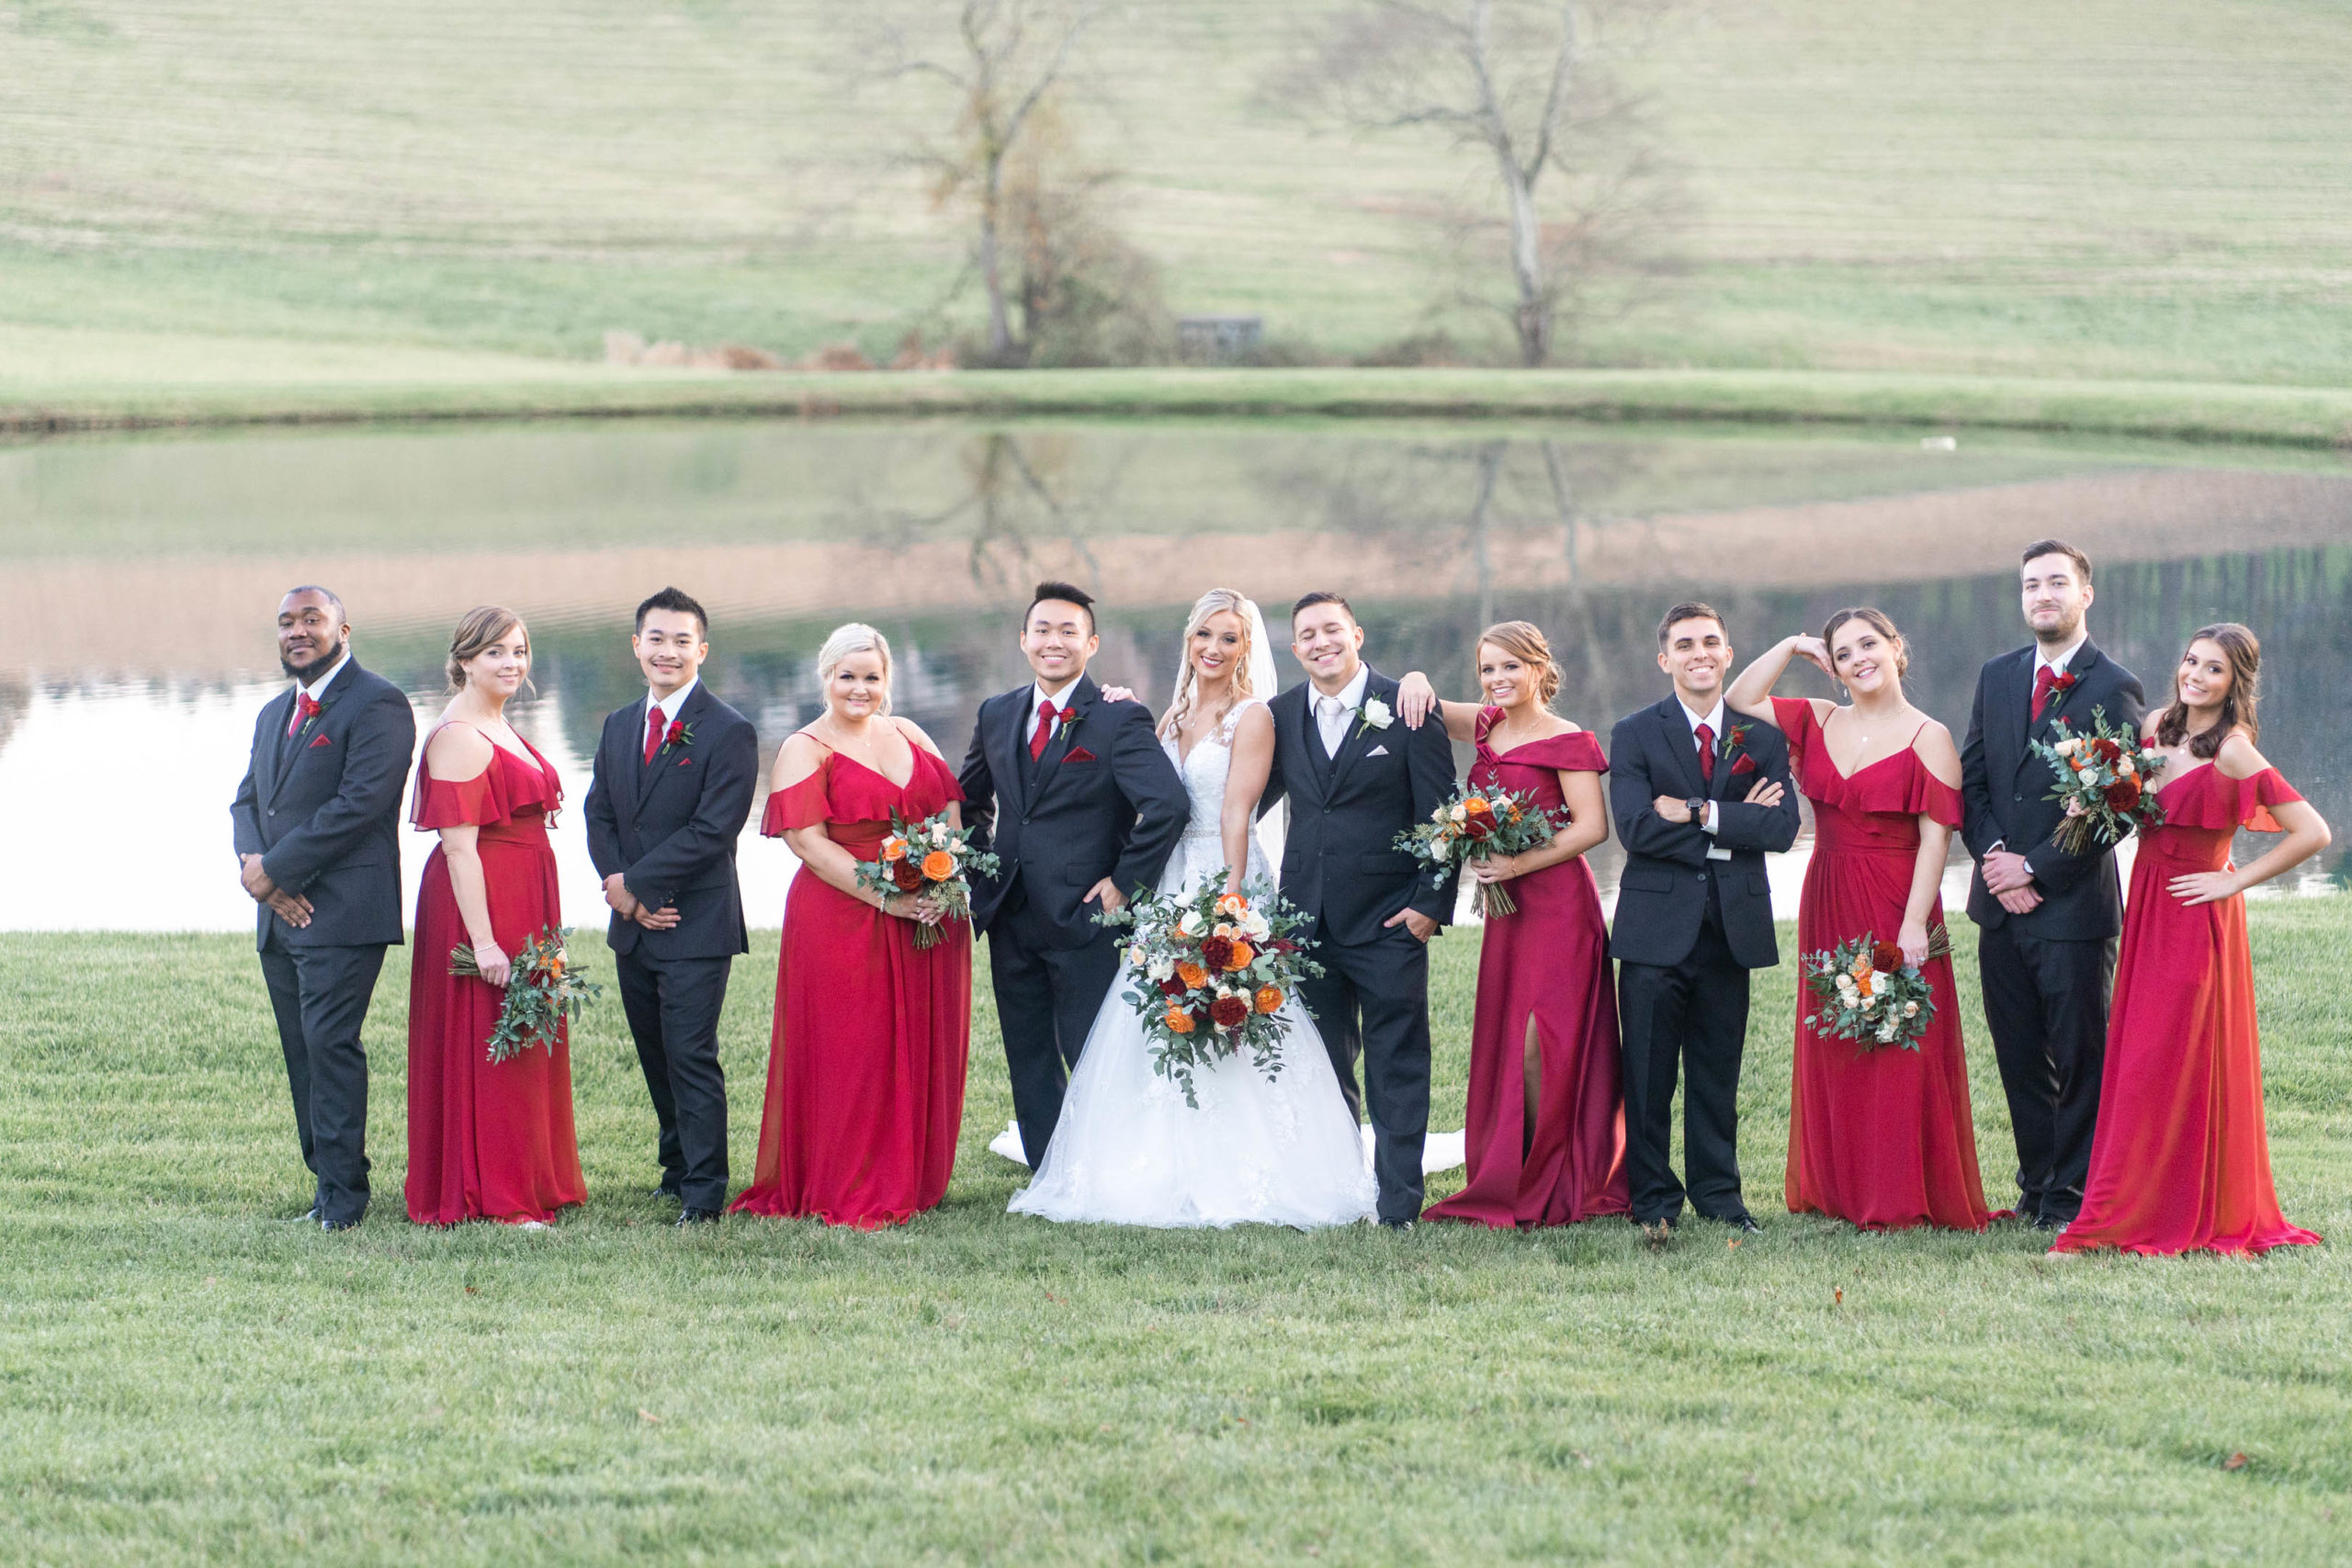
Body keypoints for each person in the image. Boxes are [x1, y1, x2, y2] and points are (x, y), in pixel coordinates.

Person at [1009, 591, 1378, 1227]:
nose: (1213, 648)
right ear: (1189, 638)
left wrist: (1228, 903)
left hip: (1222, 874)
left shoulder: (1252, 716)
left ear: (1246, 647)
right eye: (1204, 634)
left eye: (1229, 638)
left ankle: (1248, 1164)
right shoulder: (1172, 714)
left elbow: (1236, 812)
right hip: (1169, 880)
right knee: (1162, 1011)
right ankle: (1157, 1159)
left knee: (1235, 1010)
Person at [2052, 625, 2329, 1257]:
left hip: (2194, 916)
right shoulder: (2156, 727)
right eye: (2191, 661)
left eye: (2214, 669)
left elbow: (2312, 831)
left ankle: (2161, 1211)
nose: (2195, 676)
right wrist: (2092, 803)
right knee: (2140, 1061)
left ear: (2235, 684)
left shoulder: (2233, 750)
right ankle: (2132, 1203)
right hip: (2148, 904)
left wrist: (2233, 881)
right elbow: (2144, 812)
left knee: (2171, 1059)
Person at [1725, 610, 1995, 1231]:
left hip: (1896, 899)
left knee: (1899, 1040)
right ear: (1833, 667)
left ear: (1896, 648)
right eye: (1843, 653)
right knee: (1839, 1035)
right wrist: (1793, 644)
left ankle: (1898, 1191)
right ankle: (1841, 1186)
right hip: (1829, 894)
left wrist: (1912, 925)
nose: (1858, 660)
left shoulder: (1930, 735)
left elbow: (1936, 840)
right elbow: (1742, 698)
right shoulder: (1819, 718)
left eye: (1868, 644)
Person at [730, 625, 972, 1227]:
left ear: (887, 680)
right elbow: (808, 844)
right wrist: (888, 899)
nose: (859, 689)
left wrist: (943, 876)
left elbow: (949, 808)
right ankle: (850, 1181)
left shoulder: (910, 732)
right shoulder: (805, 747)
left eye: (871, 677)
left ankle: (914, 1173)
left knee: (919, 1044)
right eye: (847, 676)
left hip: (928, 914)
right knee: (855, 1050)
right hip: (843, 917)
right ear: (827, 678)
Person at [1392, 622, 1627, 1229]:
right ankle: (1516, 1168)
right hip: (1508, 914)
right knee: (1509, 1034)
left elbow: (1592, 827)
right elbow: (1423, 706)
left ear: (1538, 669)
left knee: (1542, 1041)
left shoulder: (1567, 738)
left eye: (1510, 667)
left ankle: (1555, 1174)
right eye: (1488, 669)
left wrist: (1517, 862)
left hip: (1559, 907)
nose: (1497, 679)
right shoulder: (1487, 724)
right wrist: (1414, 676)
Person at [957, 583, 1190, 1169]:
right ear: (1024, 639)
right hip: (1009, 912)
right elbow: (968, 801)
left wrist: (1124, 882)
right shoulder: (996, 712)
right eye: (1042, 630)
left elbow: (1166, 806)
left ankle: (1107, 1168)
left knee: (1091, 1050)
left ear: (1092, 644)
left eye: (1068, 632)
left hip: (1087, 914)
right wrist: (981, 870)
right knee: (1027, 1052)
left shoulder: (1118, 717)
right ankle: (1049, 1169)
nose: (1053, 642)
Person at [1257, 592, 1458, 1227]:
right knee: (1322, 1066)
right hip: (1304, 922)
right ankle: (1338, 1192)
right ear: (1295, 648)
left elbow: (1442, 815)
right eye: (1308, 634)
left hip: (1389, 920)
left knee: (1398, 1064)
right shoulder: (1280, 715)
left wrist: (1429, 905)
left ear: (1357, 634)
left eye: (1332, 629)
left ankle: (1398, 1204)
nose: (1321, 642)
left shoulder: (1408, 707)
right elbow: (1244, 799)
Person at [1961, 539, 2144, 1229]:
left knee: (2077, 1057)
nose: (2043, 595)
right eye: (2031, 584)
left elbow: (2117, 805)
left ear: (2084, 594)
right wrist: (1997, 860)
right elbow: (1972, 780)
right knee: (2017, 1055)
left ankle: (2072, 1196)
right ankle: (2037, 1186)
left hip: (2071, 910)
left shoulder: (2114, 685)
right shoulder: (1997, 675)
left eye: (2057, 583)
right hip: (1998, 905)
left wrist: (2034, 866)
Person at [1609, 603, 1800, 1239]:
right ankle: (1653, 1199)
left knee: (1717, 1074)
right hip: (1654, 929)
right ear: (1665, 659)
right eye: (1686, 644)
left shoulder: (1761, 738)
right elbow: (1636, 828)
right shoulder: (1635, 733)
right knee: (1648, 1074)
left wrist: (1699, 812)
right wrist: (1735, 823)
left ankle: (1720, 1196)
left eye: (1710, 642)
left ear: (1728, 654)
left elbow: (1781, 828)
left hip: (1730, 928)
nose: (1700, 654)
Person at [230, 586, 416, 1232]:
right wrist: (259, 874)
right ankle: (324, 1186)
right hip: (279, 914)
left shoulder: (380, 703)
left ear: (344, 629)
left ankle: (344, 1199)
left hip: (344, 910)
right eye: (287, 622)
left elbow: (359, 805)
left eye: (312, 619)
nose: (297, 631)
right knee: (301, 1050)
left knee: (330, 1044)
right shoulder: (273, 713)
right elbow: (247, 803)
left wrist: (276, 870)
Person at [583, 588, 760, 1227]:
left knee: (690, 1054)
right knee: (655, 1052)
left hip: (695, 922)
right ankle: (675, 1168)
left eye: (682, 641)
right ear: (637, 646)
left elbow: (713, 831)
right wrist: (620, 890)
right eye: (656, 639)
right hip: (633, 923)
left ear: (702, 650)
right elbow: (600, 813)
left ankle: (705, 1191)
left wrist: (640, 887)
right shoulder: (619, 724)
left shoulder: (730, 730)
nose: (668, 651)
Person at [404, 607, 585, 1227]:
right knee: (490, 1034)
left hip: (525, 896)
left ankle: (531, 1174)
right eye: (496, 653)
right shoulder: (458, 735)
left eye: (519, 651)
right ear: (463, 661)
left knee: (525, 1032)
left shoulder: (498, 721)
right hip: (479, 901)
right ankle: (496, 1192)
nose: (512, 663)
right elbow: (459, 848)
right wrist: (483, 942)